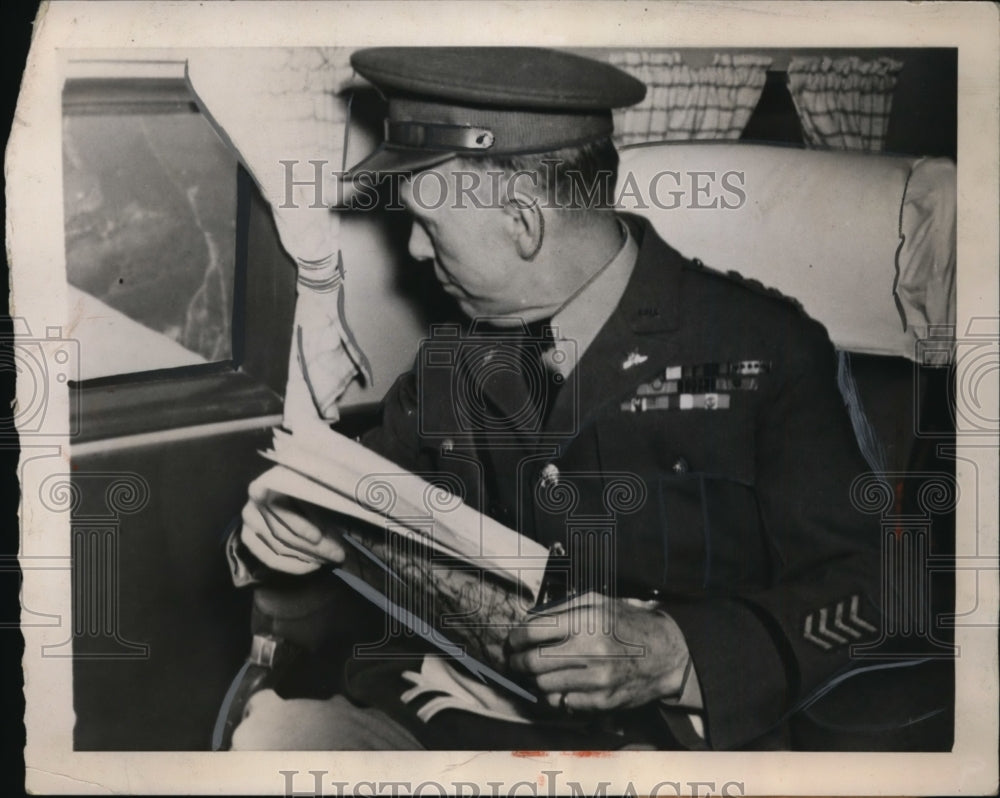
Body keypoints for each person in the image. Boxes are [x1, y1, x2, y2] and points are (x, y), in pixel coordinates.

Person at [230, 47, 883, 751]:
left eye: (428, 222)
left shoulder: (765, 349)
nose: (415, 250)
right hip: (462, 717)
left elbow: (877, 588)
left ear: (523, 221)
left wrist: (679, 652)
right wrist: (284, 536)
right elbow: (359, 511)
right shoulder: (456, 359)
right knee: (278, 742)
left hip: (666, 746)